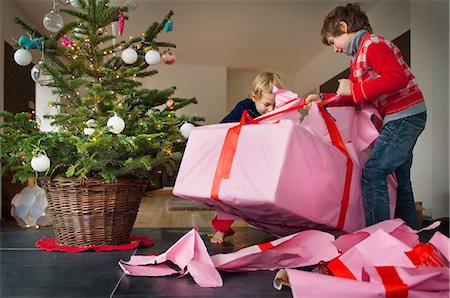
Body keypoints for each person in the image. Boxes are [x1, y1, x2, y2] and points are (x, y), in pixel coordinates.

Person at [305, 3, 426, 229]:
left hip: (405, 116)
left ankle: (378, 235)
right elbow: (354, 96)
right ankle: (410, 235)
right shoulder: (357, 60)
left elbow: (396, 78)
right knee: (401, 181)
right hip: (403, 117)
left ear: (343, 26)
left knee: (373, 172)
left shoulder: (374, 45)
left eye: (333, 42)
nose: (334, 49)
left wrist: (355, 90)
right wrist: (322, 98)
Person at [210, 70, 285, 244]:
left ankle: (276, 227)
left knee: (272, 197)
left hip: (266, 160)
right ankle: (222, 229)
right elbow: (224, 126)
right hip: (242, 159)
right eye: (267, 104)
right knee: (231, 195)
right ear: (253, 97)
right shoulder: (244, 107)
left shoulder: (279, 109)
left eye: (276, 104)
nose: (271, 109)